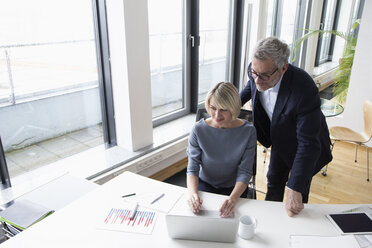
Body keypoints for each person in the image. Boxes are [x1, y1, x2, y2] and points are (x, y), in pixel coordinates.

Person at [240, 37, 333, 217]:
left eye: (265, 75)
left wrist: (295, 186)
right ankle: (268, 221)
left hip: (304, 145)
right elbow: (250, 88)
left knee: (297, 194)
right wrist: (229, 106)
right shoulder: (257, 70)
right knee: (273, 181)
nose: (258, 80)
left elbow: (308, 144)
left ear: (283, 68)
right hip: (279, 138)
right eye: (254, 72)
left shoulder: (304, 88)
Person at [187, 82, 257, 218]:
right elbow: (192, 168)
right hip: (205, 184)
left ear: (234, 108)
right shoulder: (198, 129)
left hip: (234, 188)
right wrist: (193, 194)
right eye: (213, 108)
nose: (217, 115)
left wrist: (232, 199)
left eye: (223, 109)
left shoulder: (248, 131)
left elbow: (245, 171)